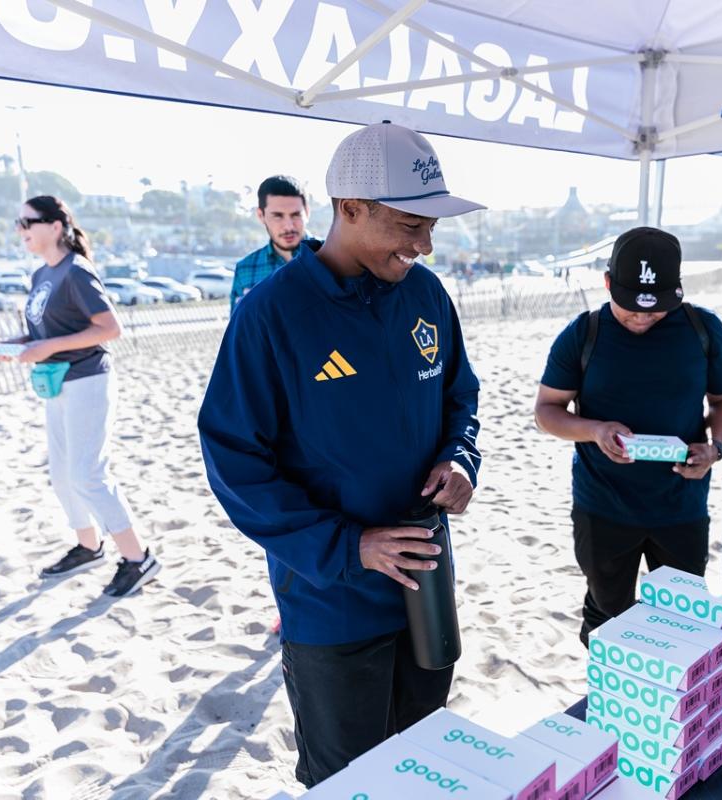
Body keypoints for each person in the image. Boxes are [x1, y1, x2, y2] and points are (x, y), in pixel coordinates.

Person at [198, 122, 484, 788]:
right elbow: (234, 459)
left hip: (426, 583)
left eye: (431, 226)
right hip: (331, 599)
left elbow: (460, 399)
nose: (425, 244)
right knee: (348, 777)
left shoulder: (427, 295)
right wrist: (349, 546)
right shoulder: (272, 314)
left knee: (422, 759)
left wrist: (461, 458)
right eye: (410, 225)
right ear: (349, 209)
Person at [534, 227, 722, 646]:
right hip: (603, 505)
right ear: (607, 283)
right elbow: (546, 412)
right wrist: (595, 430)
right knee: (608, 617)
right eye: (631, 308)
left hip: (681, 505)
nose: (643, 317)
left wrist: (714, 448)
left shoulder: (704, 329)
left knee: (682, 620)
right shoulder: (583, 333)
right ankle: (608, 696)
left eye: (656, 308)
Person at [0, 196, 160, 597]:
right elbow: (44, 335)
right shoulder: (41, 275)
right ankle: (88, 546)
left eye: (27, 222)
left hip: (88, 380)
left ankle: (139, 559)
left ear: (55, 227)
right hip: (58, 383)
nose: (21, 230)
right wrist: (17, 345)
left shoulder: (76, 272)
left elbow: (109, 328)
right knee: (62, 475)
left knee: (88, 474)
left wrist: (46, 348)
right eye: (19, 223)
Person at [229, 175, 311, 311]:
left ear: (307, 212)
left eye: (295, 215)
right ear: (261, 216)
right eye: (278, 216)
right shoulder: (245, 269)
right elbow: (239, 330)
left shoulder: (335, 258)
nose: (288, 226)